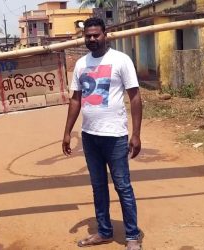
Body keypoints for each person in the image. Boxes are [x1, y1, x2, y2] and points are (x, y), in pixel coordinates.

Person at [62, 17, 143, 250]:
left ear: (105, 34)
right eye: (88, 35)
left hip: (115, 136)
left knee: (122, 186)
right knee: (98, 186)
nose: (92, 39)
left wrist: (135, 134)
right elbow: (76, 99)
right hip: (89, 136)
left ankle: (132, 236)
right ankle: (104, 231)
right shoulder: (80, 64)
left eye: (96, 35)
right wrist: (67, 132)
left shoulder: (121, 60)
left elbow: (135, 97)